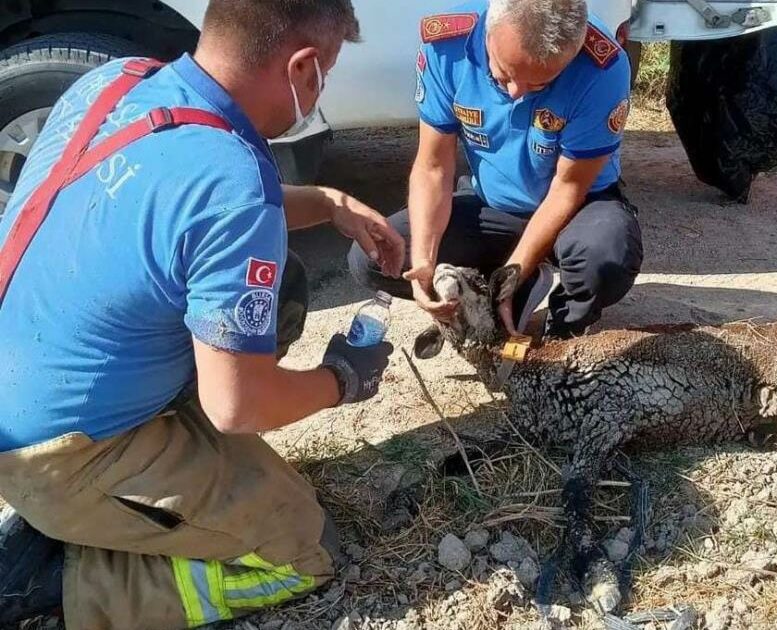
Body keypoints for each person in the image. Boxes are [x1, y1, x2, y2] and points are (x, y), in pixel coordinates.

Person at [0, 1, 405, 628]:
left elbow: (186, 217)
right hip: (61, 456)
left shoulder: (121, 80)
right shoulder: (230, 184)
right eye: (323, 71)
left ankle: (113, 504)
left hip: (26, 391)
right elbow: (235, 408)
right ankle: (54, 585)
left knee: (281, 291)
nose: (319, 88)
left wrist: (329, 203)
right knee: (305, 552)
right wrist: (343, 380)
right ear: (301, 69)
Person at [348, 0, 643, 339]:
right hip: (494, 204)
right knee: (375, 258)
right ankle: (500, 285)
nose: (516, 92)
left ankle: (562, 331)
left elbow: (568, 188)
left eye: (539, 85)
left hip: (579, 207)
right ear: (488, 32)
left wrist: (514, 275)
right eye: (504, 73)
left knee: (606, 261)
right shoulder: (447, 46)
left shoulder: (602, 68)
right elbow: (433, 167)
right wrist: (425, 261)